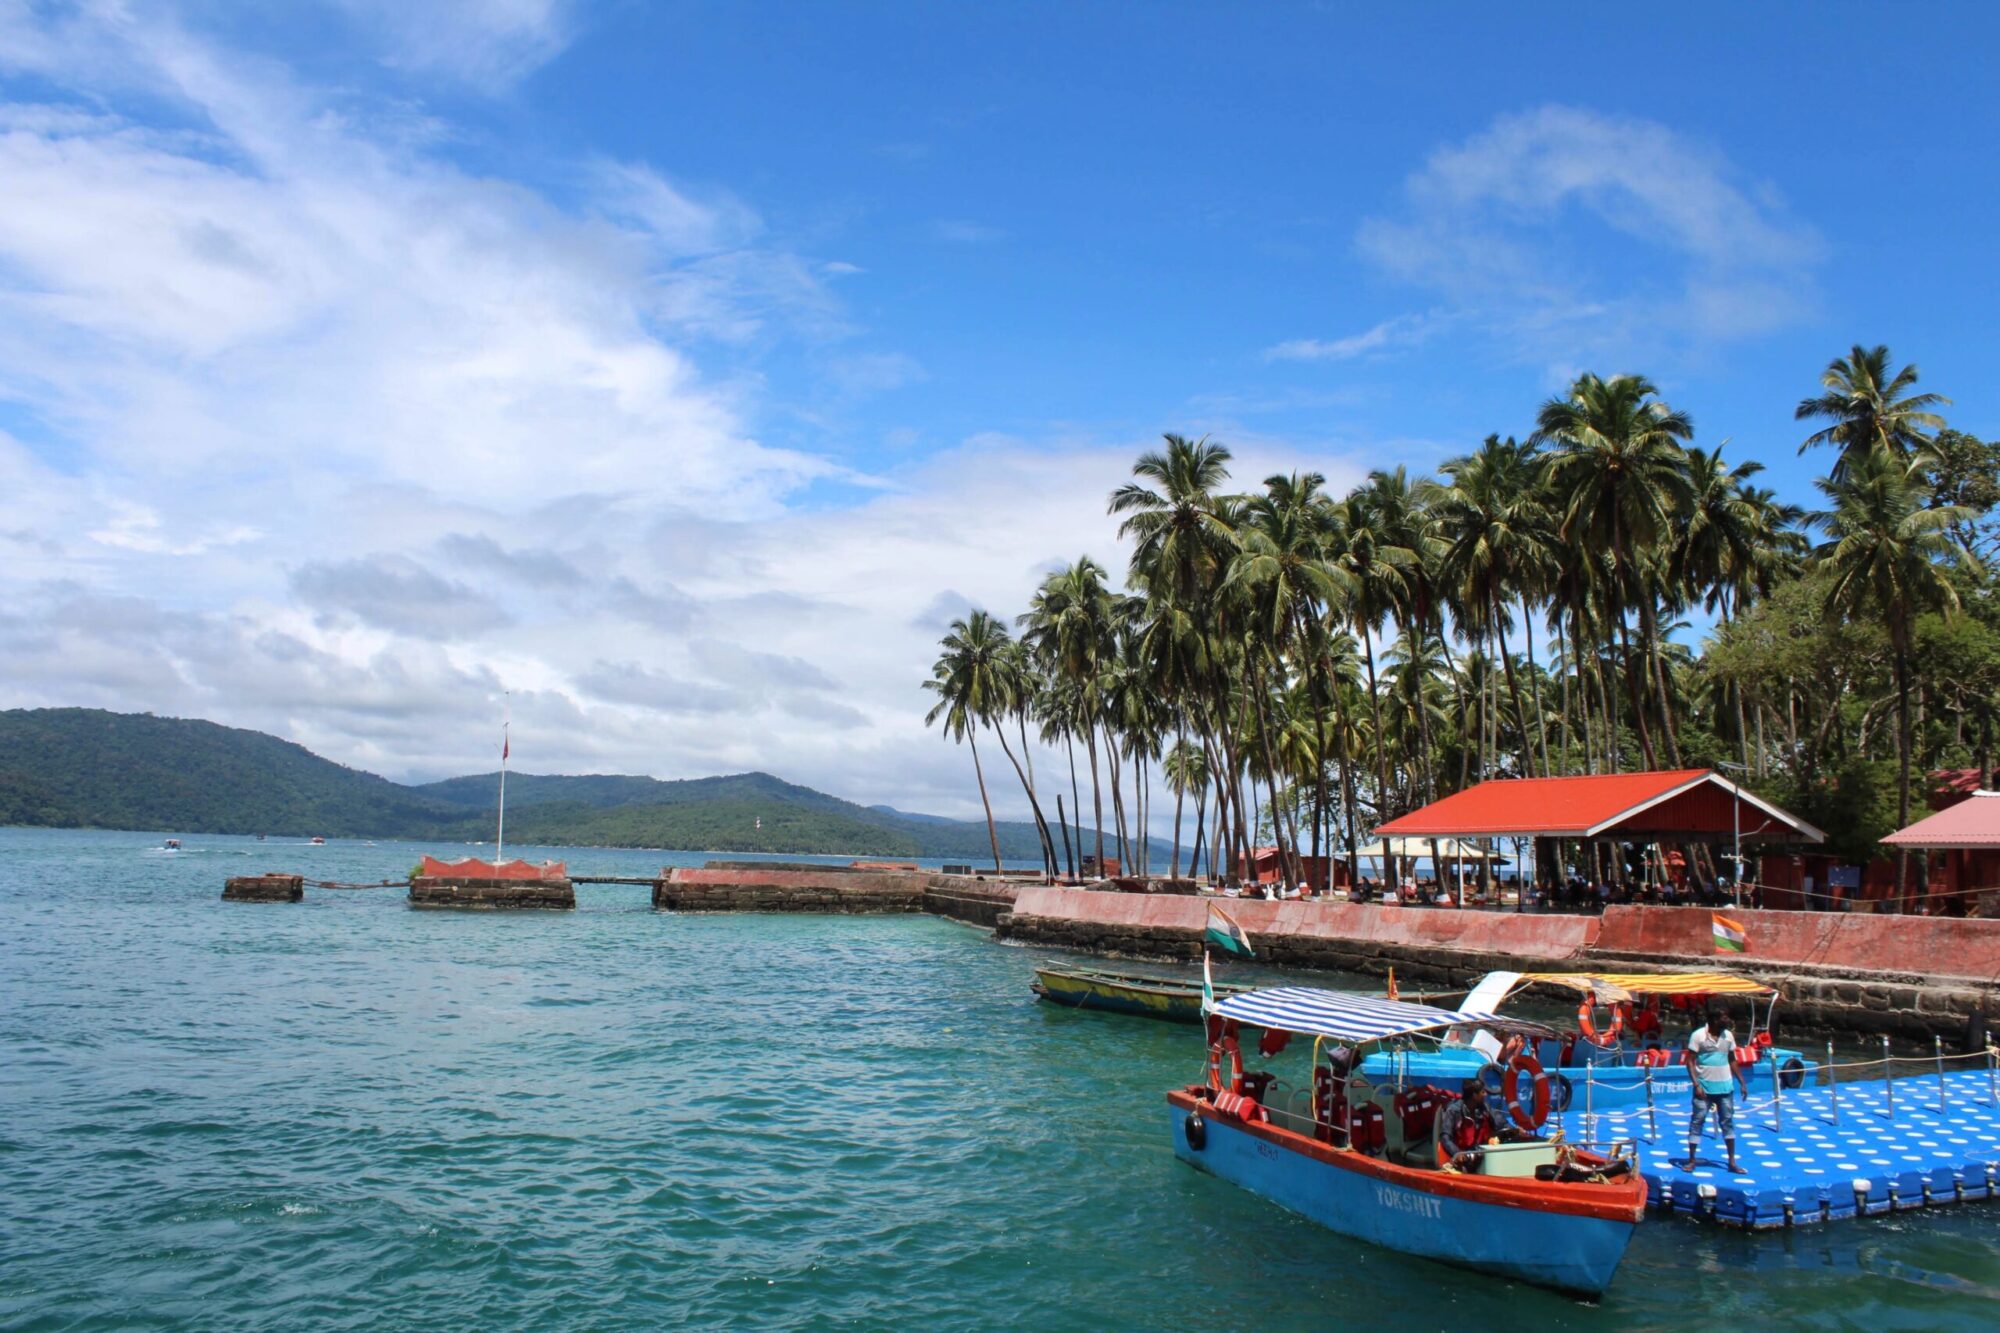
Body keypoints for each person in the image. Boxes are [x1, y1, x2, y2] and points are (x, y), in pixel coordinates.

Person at [1684, 1002, 1749, 1172]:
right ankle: (1691, 1160)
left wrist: (1742, 1082)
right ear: (1714, 1019)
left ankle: (1732, 1162)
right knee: (1697, 1122)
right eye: (1724, 1017)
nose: (1727, 1020)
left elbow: (1732, 1059)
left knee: (1727, 1122)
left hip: (1725, 1089)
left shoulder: (1728, 1036)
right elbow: (1689, 1061)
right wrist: (1696, 1084)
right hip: (1704, 1089)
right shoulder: (1698, 1036)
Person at [1436, 1078, 1526, 1172]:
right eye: (1483, 1092)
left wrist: (1515, 1130)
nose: (1486, 1095)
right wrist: (1457, 1153)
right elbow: (1445, 1136)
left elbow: (1501, 1123)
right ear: (1475, 1095)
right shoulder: (1454, 1111)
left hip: (1483, 1154)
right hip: (1463, 1156)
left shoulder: (1485, 1108)